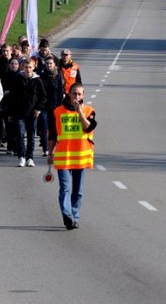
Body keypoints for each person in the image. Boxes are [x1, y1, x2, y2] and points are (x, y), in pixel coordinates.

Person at [47, 83, 97, 230]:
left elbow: (88, 127)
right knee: (65, 188)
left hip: (80, 158)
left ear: (83, 95)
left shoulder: (89, 110)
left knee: (78, 191)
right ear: (69, 94)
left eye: (79, 94)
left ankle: (75, 215)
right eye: (74, 94)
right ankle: (67, 215)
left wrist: (79, 112)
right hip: (64, 156)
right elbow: (53, 135)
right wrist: (50, 153)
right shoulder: (58, 111)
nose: (76, 97)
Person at [9, 58, 46, 167]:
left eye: (30, 67)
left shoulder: (38, 80)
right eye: (26, 67)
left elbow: (43, 97)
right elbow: (12, 96)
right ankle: (21, 156)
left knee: (31, 136)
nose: (28, 69)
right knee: (20, 134)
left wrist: (38, 108)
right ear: (22, 67)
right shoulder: (18, 79)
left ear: (33, 68)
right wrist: (10, 113)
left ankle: (30, 157)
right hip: (19, 112)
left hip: (32, 113)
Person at [38, 55, 64, 157]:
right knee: (44, 127)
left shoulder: (58, 77)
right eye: (47, 64)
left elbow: (60, 92)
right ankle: (45, 148)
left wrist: (60, 107)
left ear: (54, 65)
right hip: (44, 106)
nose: (49, 65)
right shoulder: (42, 76)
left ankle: (54, 147)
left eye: (50, 64)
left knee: (54, 128)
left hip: (55, 107)